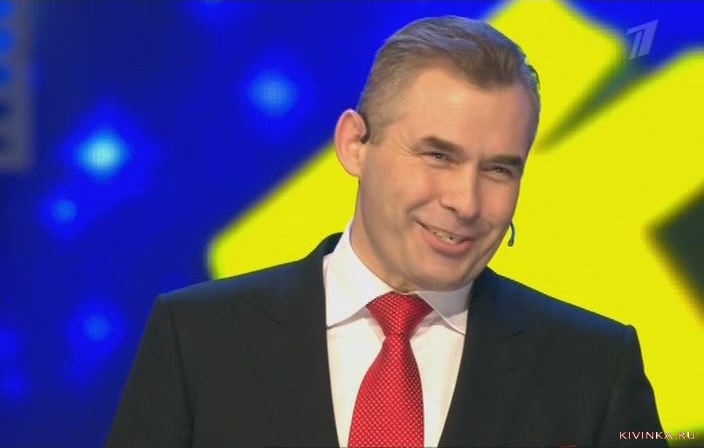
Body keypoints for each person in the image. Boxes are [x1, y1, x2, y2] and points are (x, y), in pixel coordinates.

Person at [107, 16, 664, 448]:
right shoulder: (197, 338)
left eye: (498, 169)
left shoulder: (595, 368)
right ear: (355, 144)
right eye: (438, 155)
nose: (466, 202)